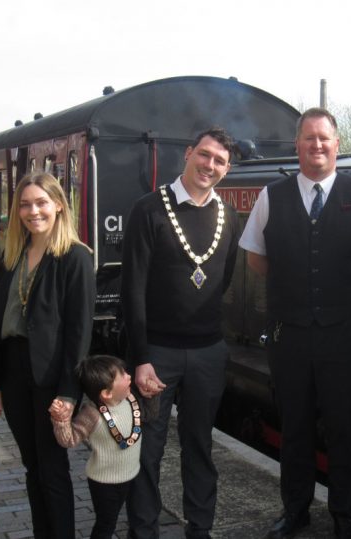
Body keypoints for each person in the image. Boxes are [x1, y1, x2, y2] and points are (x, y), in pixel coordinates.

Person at [239, 107, 351, 539]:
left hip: (346, 335)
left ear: (337, 144)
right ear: (297, 144)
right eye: (308, 138)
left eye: (324, 138)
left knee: (344, 427)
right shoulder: (271, 196)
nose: (317, 145)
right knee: (294, 427)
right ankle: (295, 510)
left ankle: (344, 514)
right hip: (291, 335)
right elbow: (256, 257)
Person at [121, 126, 240, 539]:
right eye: (204, 155)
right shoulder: (148, 210)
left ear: (226, 169)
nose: (210, 165)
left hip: (208, 353)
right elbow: (132, 290)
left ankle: (200, 529)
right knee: (147, 449)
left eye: (220, 161)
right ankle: (144, 530)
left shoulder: (229, 216)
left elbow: (221, 281)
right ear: (188, 153)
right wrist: (140, 358)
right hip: (157, 353)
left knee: (200, 446)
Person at [0, 171, 96, 538]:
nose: (34, 211)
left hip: (50, 377)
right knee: (31, 465)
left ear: (59, 206)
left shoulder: (75, 258)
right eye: (26, 204)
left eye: (42, 203)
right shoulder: (12, 254)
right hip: (14, 371)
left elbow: (79, 333)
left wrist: (69, 392)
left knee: (52, 467)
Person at [50, 355, 161, 539]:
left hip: (130, 474)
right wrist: (61, 420)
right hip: (104, 482)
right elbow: (69, 440)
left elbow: (150, 416)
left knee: (117, 517)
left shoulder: (130, 400)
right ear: (107, 394)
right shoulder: (92, 414)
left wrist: (152, 395)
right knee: (106, 523)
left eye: (126, 371)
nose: (129, 376)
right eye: (123, 375)